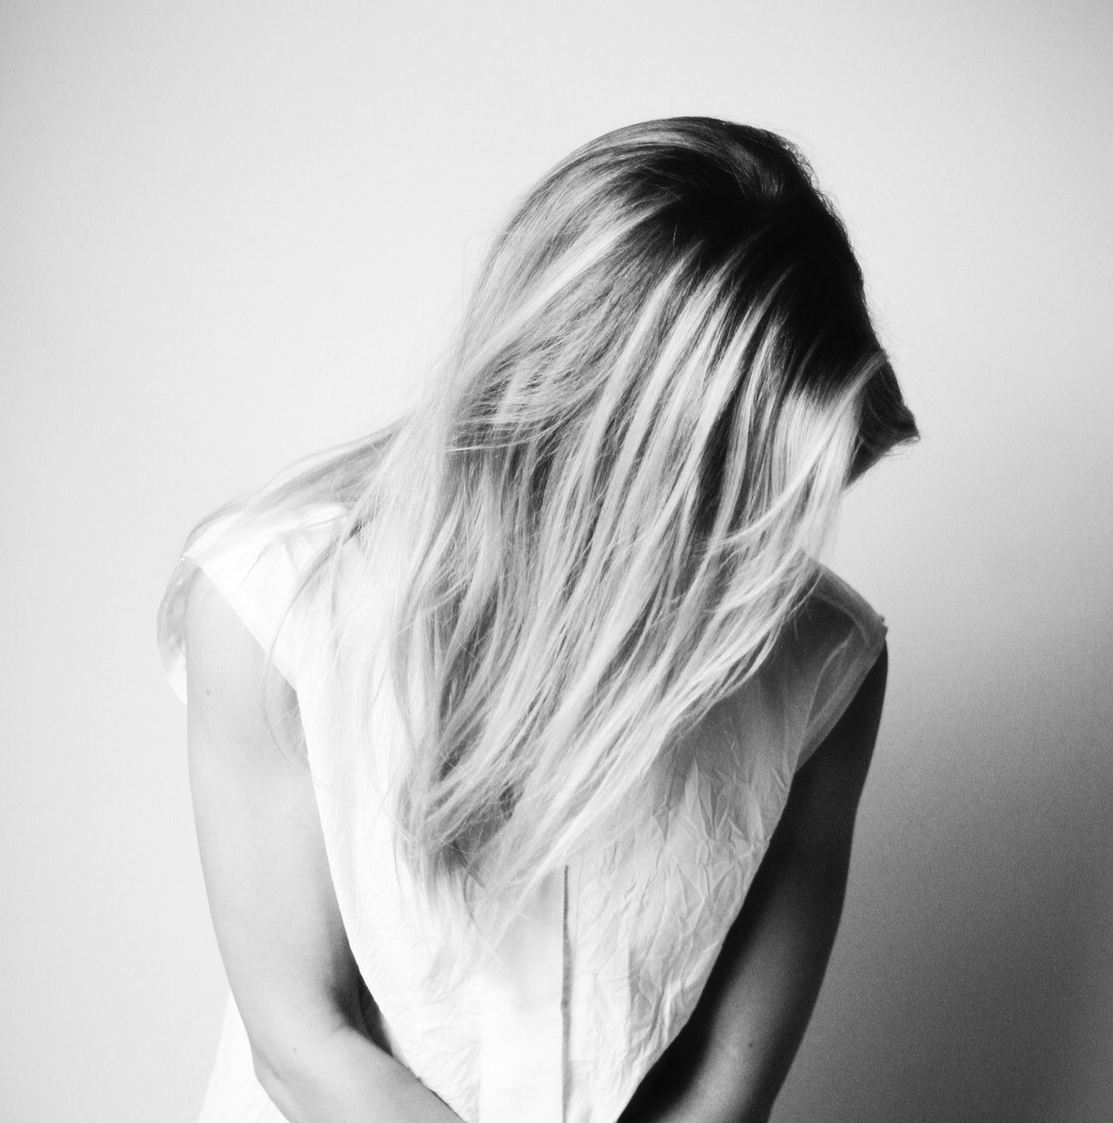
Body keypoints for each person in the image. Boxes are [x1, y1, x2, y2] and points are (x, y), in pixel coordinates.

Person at [157, 116, 918, 1123]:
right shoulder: (275, 606)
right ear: (588, 441)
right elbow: (302, 1044)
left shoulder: (824, 664)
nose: (754, 558)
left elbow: (721, 1093)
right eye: (730, 495)